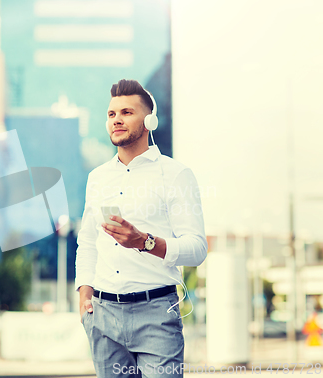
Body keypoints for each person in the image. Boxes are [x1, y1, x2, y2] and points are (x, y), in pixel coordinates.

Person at [75, 79, 207, 377]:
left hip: (156, 313)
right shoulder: (97, 178)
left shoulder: (176, 174)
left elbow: (197, 249)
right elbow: (88, 242)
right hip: (103, 316)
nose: (117, 120)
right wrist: (84, 297)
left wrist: (145, 242)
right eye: (111, 114)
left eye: (126, 112)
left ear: (149, 120)